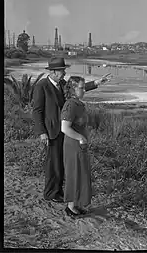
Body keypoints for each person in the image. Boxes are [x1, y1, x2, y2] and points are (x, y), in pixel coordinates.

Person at [32, 57, 111, 203]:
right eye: (62, 71)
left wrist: (96, 83)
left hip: (65, 129)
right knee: (53, 163)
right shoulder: (42, 86)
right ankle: (51, 193)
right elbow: (37, 111)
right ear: (54, 72)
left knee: (62, 162)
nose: (64, 73)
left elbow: (77, 88)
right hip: (51, 131)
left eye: (64, 70)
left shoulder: (62, 84)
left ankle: (59, 190)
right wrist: (41, 132)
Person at [61, 76, 92, 217]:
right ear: (73, 89)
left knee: (81, 174)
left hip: (80, 145)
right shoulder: (70, 105)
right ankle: (71, 206)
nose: (84, 90)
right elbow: (64, 128)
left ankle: (77, 204)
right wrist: (80, 138)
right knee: (74, 174)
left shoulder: (78, 104)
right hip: (73, 145)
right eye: (81, 87)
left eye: (84, 87)